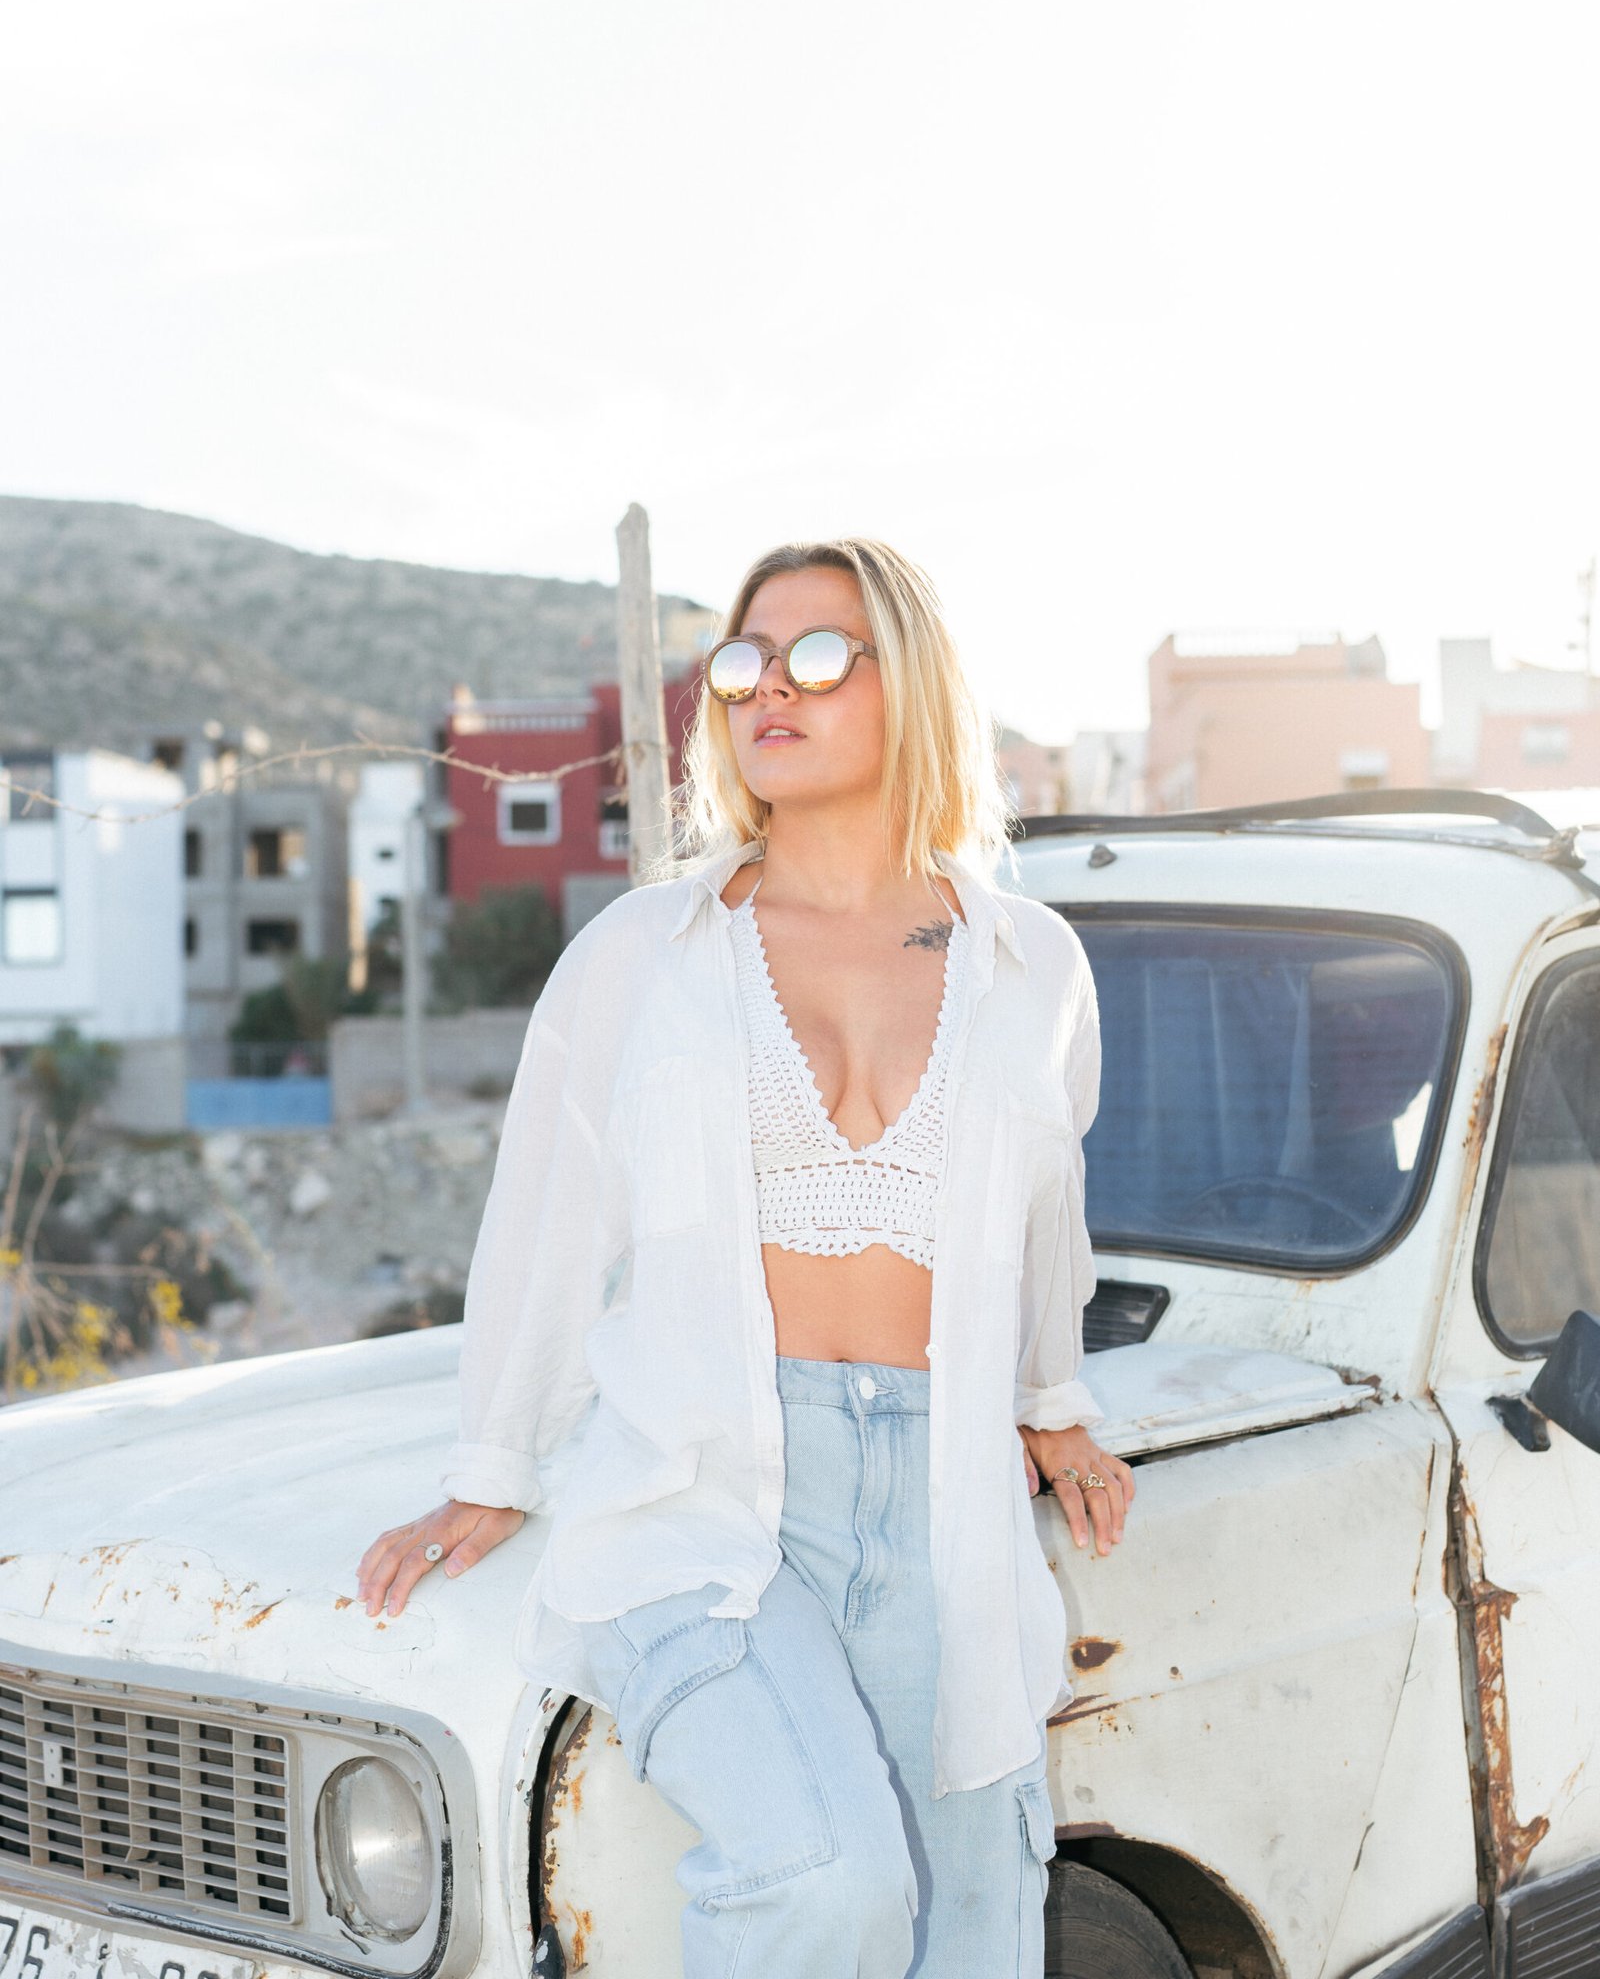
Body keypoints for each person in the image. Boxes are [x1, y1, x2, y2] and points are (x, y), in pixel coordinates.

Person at [355, 536, 1136, 1978]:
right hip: (704, 1494)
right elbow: (547, 1214)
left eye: (819, 655)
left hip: (949, 1506)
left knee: (967, 1935)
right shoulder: (645, 953)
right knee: (820, 1883)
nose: (769, 686)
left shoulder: (1033, 963)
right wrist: (494, 1461)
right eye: (742, 660)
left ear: (914, 681)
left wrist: (1052, 1401)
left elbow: (1044, 1212)